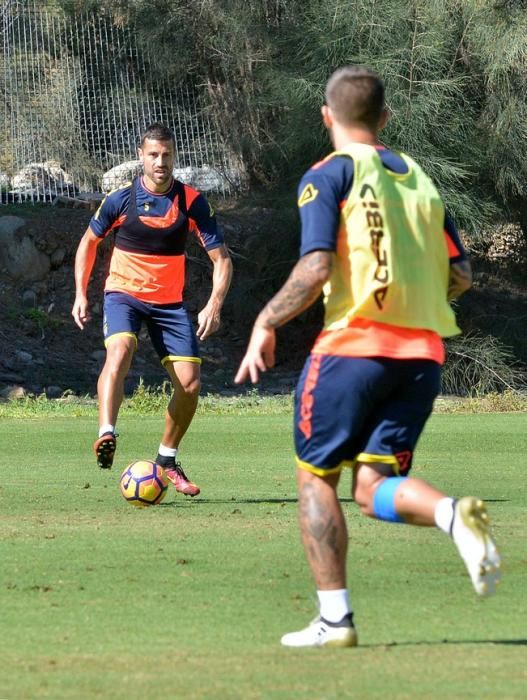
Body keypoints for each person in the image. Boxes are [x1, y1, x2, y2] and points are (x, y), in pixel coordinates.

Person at [235, 66, 501, 648]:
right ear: (385, 119)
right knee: (373, 483)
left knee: (315, 479)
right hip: (423, 356)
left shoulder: (328, 174)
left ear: (327, 116)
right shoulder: (423, 182)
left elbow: (315, 267)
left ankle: (335, 620)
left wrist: (265, 321)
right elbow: (460, 273)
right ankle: (454, 515)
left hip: (354, 349)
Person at [72, 122, 232, 497]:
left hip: (169, 304)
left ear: (174, 157)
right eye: (153, 155)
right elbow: (88, 243)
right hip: (123, 294)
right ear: (141, 157)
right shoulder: (120, 199)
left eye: (167, 155)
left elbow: (221, 260)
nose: (161, 162)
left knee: (190, 385)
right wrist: (81, 294)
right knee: (121, 351)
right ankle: (106, 433)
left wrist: (214, 303)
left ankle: (166, 459)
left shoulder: (191, 201)